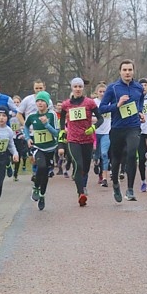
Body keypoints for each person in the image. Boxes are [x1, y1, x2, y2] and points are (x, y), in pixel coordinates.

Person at [99, 60, 145, 202]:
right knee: (116, 159)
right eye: (124, 70)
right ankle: (116, 185)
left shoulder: (138, 87)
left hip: (133, 127)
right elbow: (101, 108)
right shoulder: (113, 88)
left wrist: (140, 112)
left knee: (132, 153)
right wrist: (117, 105)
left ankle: (130, 189)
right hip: (117, 128)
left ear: (133, 71)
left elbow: (140, 102)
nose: (127, 72)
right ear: (120, 71)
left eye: (130, 70)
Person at [61, 78, 104, 206]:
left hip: (87, 139)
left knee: (85, 167)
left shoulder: (90, 103)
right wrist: (62, 131)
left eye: (80, 86)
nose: (78, 89)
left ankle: (82, 184)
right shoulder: (66, 105)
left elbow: (100, 119)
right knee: (78, 165)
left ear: (83, 88)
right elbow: (62, 120)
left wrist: (93, 128)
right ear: (72, 88)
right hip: (73, 139)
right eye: (75, 86)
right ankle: (81, 193)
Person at [23, 91, 59, 211]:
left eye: (42, 101)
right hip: (38, 148)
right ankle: (36, 187)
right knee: (41, 167)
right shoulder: (32, 116)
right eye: (38, 101)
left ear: (47, 103)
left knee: (45, 174)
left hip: (50, 148)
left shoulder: (52, 115)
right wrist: (28, 138)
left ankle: (42, 195)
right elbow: (26, 126)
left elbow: (57, 133)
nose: (40, 103)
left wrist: (47, 125)